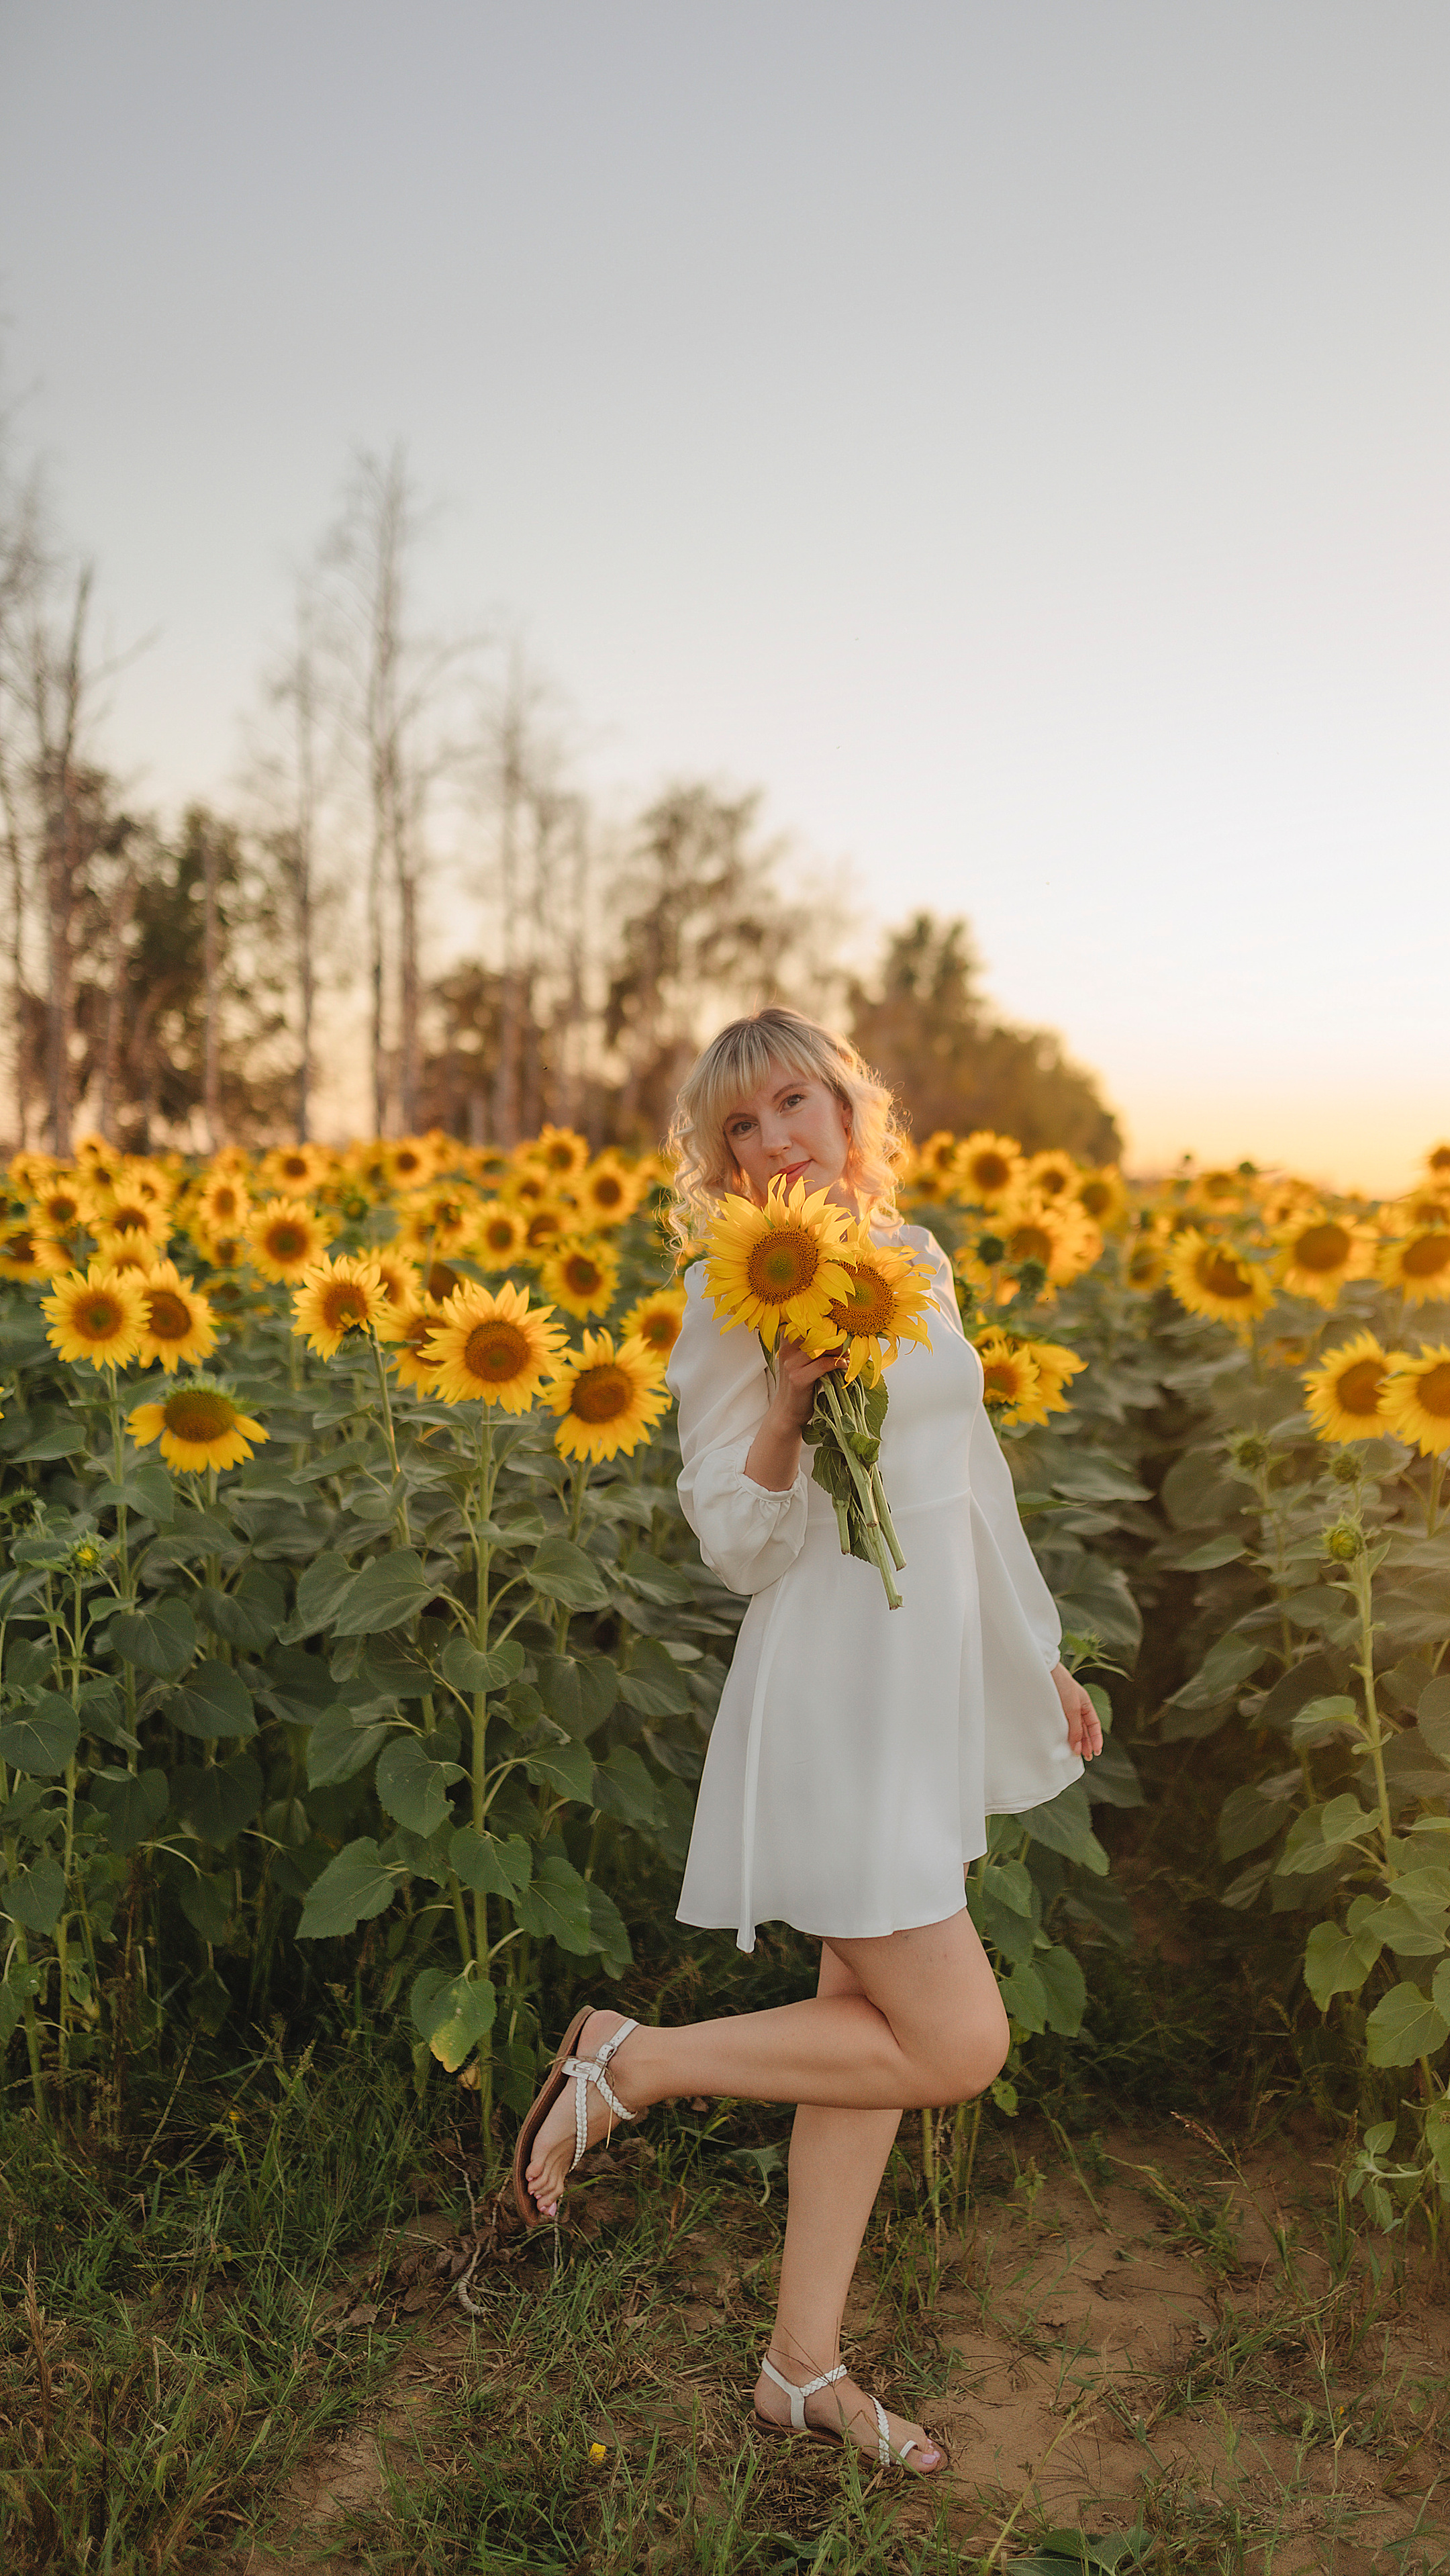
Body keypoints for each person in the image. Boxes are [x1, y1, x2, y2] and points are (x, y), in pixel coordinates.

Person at [515, 1006, 1102, 2473]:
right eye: (739, 1125)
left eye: (792, 1103)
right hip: (836, 1678)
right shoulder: (733, 1301)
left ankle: (798, 2366)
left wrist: (1037, 1652)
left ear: (850, 1113)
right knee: (954, 2040)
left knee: (873, 2039)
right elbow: (733, 1536)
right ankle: (633, 2061)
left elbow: (972, 1480)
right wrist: (784, 1400)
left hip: (920, 1682)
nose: (772, 1137)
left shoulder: (916, 1263)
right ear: (721, 1164)